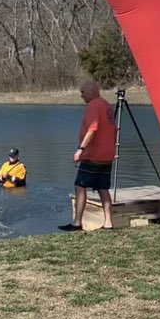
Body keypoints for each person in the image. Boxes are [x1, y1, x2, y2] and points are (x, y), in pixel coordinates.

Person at [59, 81, 118, 231]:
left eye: (83, 92)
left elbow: (93, 128)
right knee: (102, 188)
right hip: (107, 155)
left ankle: (77, 223)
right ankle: (108, 223)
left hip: (93, 155)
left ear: (92, 91)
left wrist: (81, 149)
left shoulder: (93, 105)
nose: (81, 95)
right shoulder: (106, 105)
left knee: (80, 186)